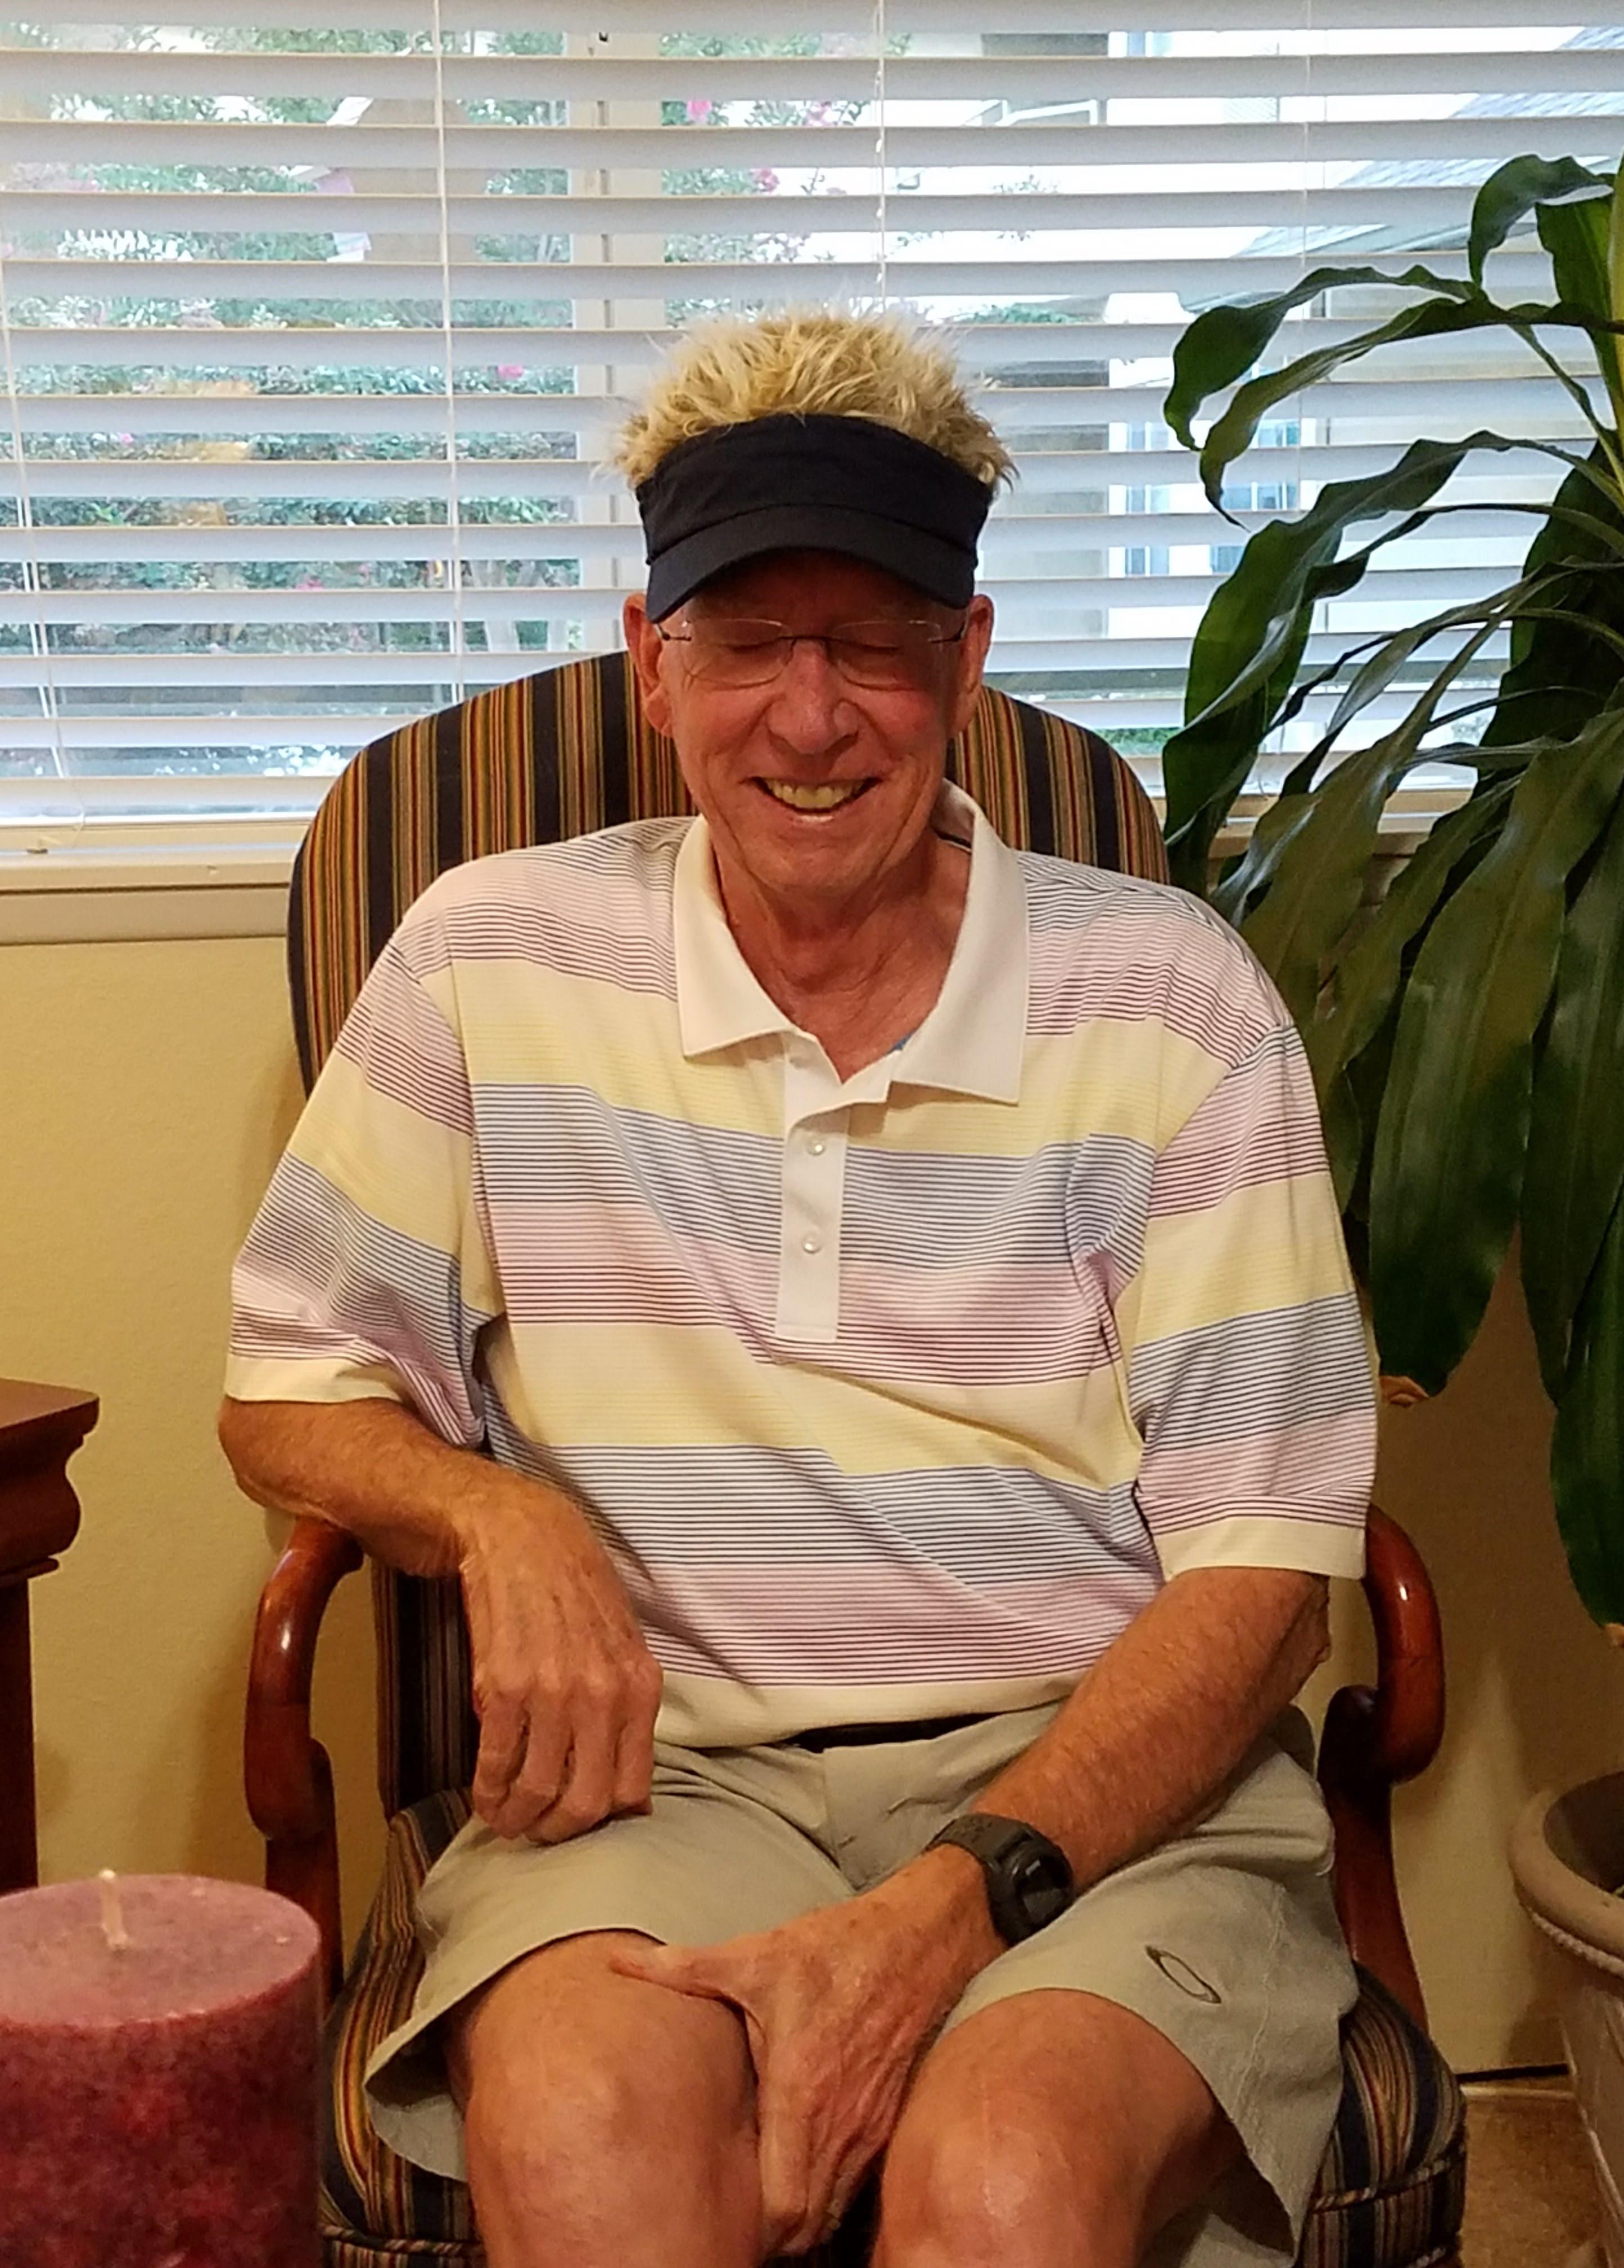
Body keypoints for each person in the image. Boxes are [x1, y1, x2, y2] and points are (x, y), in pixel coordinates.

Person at [220, 307, 1375, 2268]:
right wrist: (499, 1518)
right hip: (651, 1786)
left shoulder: (1177, 997)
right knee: (590, 2142)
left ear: (971, 661)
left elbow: (1266, 1577)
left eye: (877, 643)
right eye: (752, 641)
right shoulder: (487, 956)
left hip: (1094, 1797)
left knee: (1002, 2189)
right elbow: (284, 1390)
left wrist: (946, 1909)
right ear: (653, 663)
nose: (812, 715)